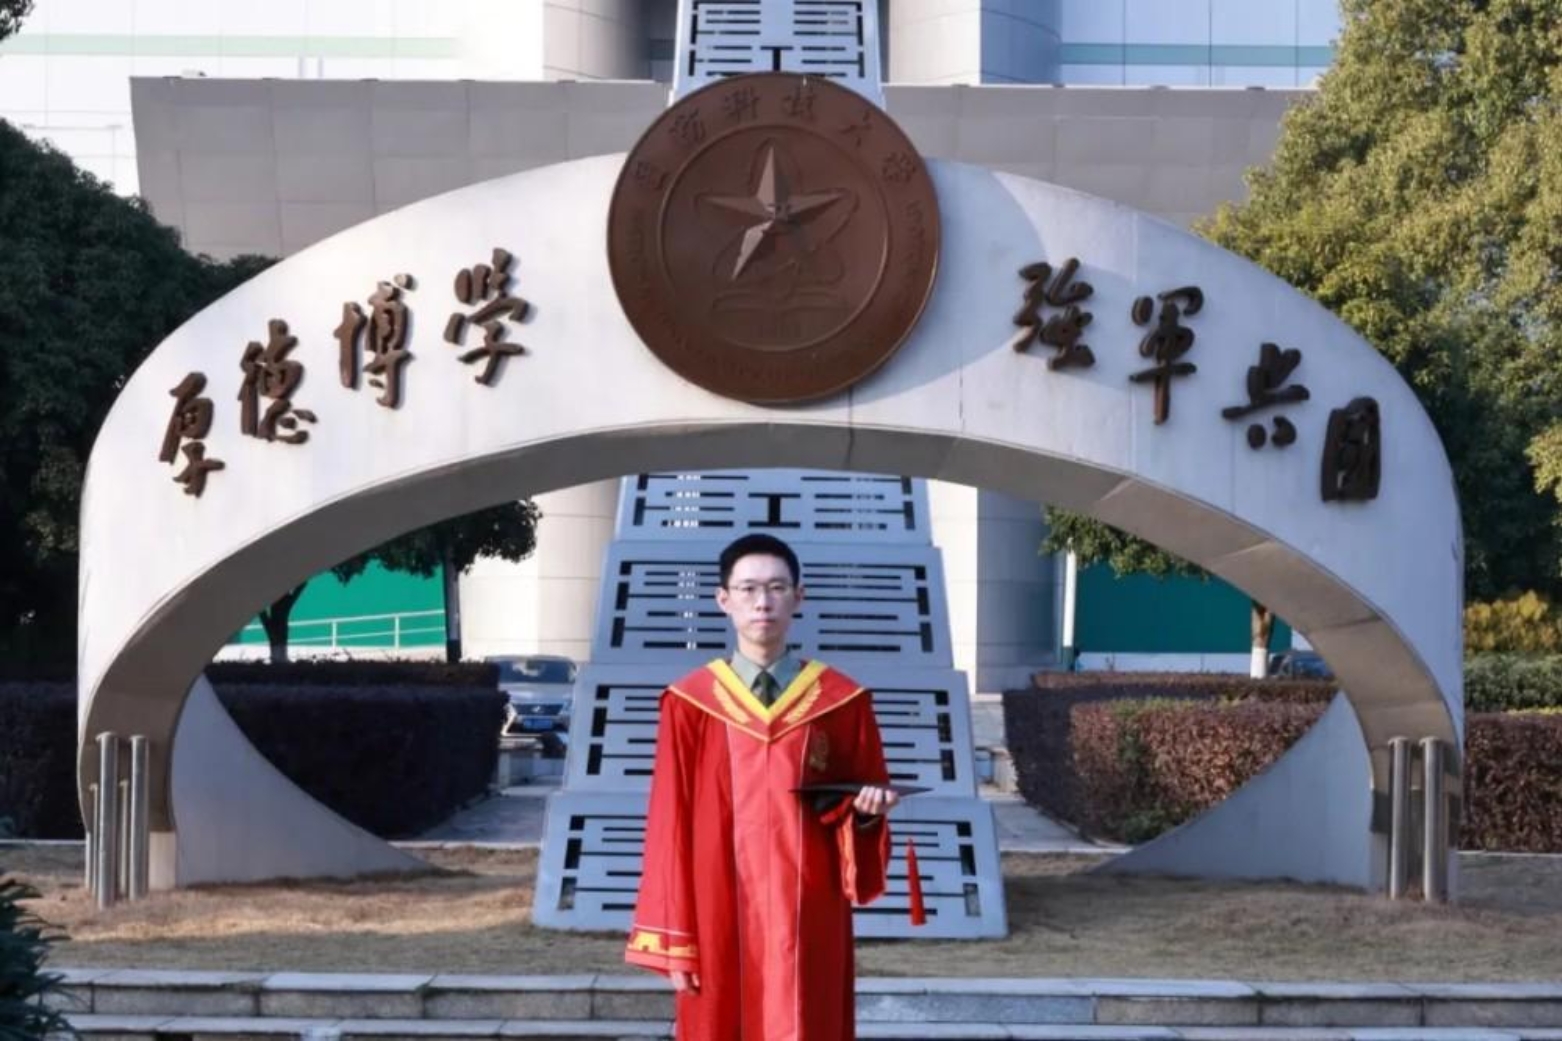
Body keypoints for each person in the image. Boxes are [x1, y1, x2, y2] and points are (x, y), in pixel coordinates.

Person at [626, 533, 901, 1040]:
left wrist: (866, 816)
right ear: (723, 599)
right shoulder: (689, 703)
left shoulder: (842, 701)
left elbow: (860, 805)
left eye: (776, 587)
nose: (762, 602)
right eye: (748, 588)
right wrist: (675, 940)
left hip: (809, 909)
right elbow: (669, 824)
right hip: (715, 907)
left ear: (799, 596)